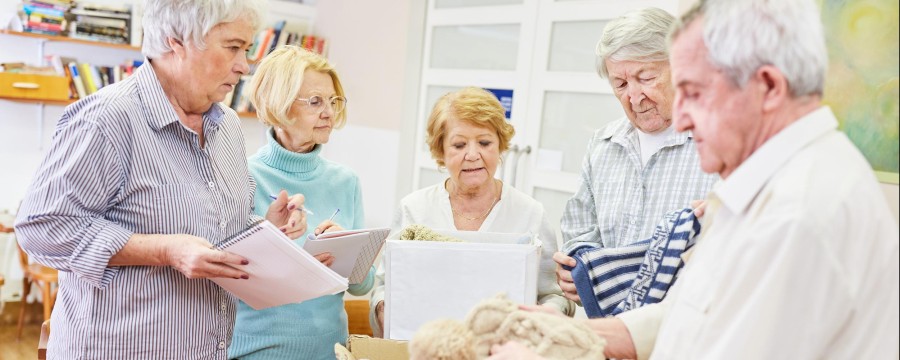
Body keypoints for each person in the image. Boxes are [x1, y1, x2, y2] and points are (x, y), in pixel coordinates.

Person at [491, 0, 900, 358]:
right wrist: (575, 333)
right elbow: (695, 312)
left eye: (695, 92)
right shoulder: (771, 185)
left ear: (769, 87)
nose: (681, 118)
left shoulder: (798, 214)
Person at [13, 1, 309, 358]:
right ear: (176, 42)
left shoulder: (228, 126)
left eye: (246, 49)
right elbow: (41, 227)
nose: (244, 66)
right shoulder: (105, 120)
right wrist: (165, 250)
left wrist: (265, 231)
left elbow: (212, 228)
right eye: (232, 47)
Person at [369, 87, 575, 337]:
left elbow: (552, 294)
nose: (473, 155)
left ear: (500, 145)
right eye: (458, 145)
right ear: (441, 151)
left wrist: (549, 314)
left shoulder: (530, 213)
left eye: (485, 142)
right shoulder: (414, 209)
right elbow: (385, 287)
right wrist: (383, 308)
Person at [554, 7, 718, 305]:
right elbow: (579, 228)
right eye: (621, 84)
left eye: (646, 77)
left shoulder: (717, 142)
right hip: (612, 334)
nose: (634, 96)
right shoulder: (603, 145)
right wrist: (578, 269)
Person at [227, 46, 374, 360]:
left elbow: (363, 287)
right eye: (316, 101)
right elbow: (225, 280)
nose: (329, 113)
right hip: (257, 353)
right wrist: (269, 236)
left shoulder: (346, 181)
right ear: (279, 104)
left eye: (333, 101)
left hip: (330, 353)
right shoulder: (240, 175)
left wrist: (347, 253)